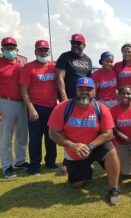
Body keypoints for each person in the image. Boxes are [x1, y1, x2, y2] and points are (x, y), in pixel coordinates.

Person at [48, 77, 121, 205]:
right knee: (77, 185)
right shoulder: (62, 108)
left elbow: (108, 134)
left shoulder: (101, 108)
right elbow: (53, 133)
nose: (85, 91)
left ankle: (113, 189)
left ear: (94, 91)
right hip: (74, 149)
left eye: (89, 89)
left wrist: (90, 146)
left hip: (95, 145)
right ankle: (86, 167)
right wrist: (72, 145)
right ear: (76, 90)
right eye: (81, 88)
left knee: (111, 152)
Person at [20, 40, 58, 175]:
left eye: (46, 50)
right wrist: (31, 108)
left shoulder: (54, 66)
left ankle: (50, 162)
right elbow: (24, 90)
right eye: (41, 50)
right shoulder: (28, 67)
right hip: (36, 107)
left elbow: (59, 85)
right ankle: (34, 166)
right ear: (35, 52)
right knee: (35, 138)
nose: (44, 52)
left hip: (52, 108)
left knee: (51, 137)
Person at [0, 37, 28, 178]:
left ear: (17, 49)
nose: (10, 50)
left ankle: (20, 161)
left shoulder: (22, 64)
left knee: (22, 135)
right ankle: (6, 166)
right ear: (2, 49)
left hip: (22, 103)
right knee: (6, 136)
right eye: (7, 47)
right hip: (5, 102)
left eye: (12, 47)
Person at [56, 33, 92, 101]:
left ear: (84, 45)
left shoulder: (88, 60)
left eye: (78, 43)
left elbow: (89, 80)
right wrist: (64, 98)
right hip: (69, 99)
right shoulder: (64, 57)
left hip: (83, 99)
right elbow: (59, 77)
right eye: (73, 43)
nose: (75, 45)